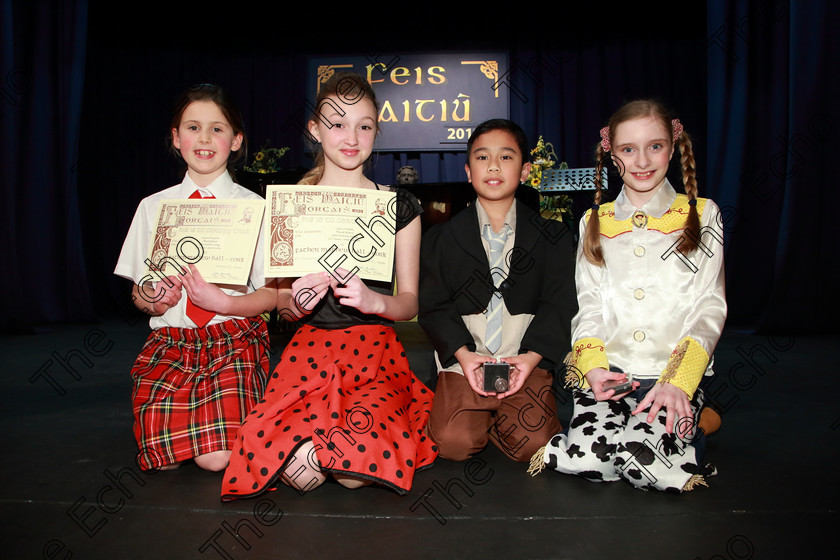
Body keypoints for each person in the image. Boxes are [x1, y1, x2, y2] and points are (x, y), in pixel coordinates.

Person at [221, 72, 437, 500]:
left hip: (375, 353)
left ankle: (322, 444)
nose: (351, 137)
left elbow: (409, 304)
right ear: (315, 130)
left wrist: (376, 300)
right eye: (337, 124)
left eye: (364, 125)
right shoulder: (291, 204)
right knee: (303, 472)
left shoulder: (400, 206)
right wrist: (296, 303)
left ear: (377, 130)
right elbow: (281, 305)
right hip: (310, 353)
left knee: (355, 472)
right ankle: (313, 446)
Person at [529, 100, 727, 493]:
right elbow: (590, 305)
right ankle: (633, 426)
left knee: (644, 468)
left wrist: (679, 381)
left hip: (669, 376)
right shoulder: (594, 221)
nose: (641, 161)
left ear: (673, 147)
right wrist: (594, 370)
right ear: (611, 153)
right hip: (613, 373)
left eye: (654, 146)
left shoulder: (702, 214)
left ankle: (695, 417)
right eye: (628, 149)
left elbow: (709, 305)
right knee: (588, 462)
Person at [114, 84, 276, 472]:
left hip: (233, 339)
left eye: (218, 129)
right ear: (175, 137)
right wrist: (155, 300)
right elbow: (140, 290)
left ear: (237, 140)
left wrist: (227, 304)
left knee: (216, 459)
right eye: (192, 127)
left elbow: (273, 295)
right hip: (171, 343)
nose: (204, 139)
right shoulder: (153, 207)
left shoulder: (256, 208)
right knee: (162, 463)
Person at [418, 119, 577, 463]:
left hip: (524, 359)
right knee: (452, 444)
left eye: (506, 157)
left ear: (525, 171)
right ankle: (480, 415)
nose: (493, 166)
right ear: (467, 170)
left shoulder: (554, 236)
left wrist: (531, 359)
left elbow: (560, 303)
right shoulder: (440, 239)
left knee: (535, 445)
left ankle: (501, 414)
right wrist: (463, 355)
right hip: (465, 362)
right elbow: (433, 305)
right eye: (482, 157)